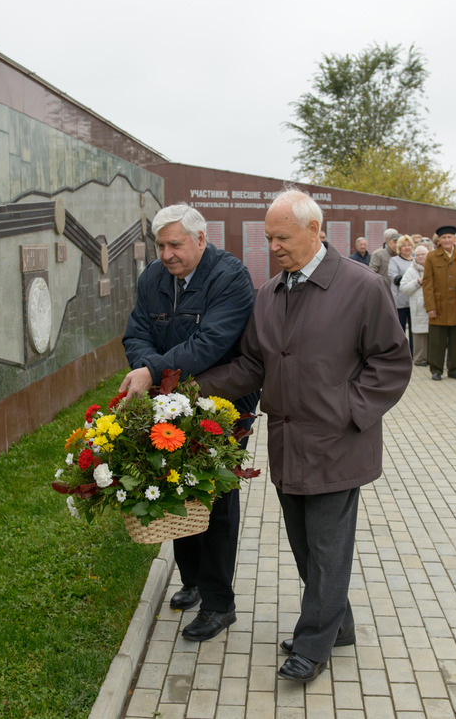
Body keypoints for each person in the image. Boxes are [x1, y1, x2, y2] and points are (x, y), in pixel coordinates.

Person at [196, 189, 411, 684]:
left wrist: (350, 409)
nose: (273, 246)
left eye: (282, 237)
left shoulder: (362, 286)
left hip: (338, 444)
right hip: (287, 446)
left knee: (328, 547)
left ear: (316, 231)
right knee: (305, 547)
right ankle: (338, 626)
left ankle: (313, 644)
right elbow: (253, 364)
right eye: (269, 237)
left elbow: (392, 361)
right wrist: (190, 386)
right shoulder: (270, 293)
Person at [120, 204, 260, 643]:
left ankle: (220, 604)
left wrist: (152, 372)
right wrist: (152, 371)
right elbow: (135, 332)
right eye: (160, 245)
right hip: (171, 399)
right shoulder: (153, 279)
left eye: (175, 244)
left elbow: (211, 342)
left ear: (201, 240)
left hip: (223, 401)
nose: (166, 254)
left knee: (215, 498)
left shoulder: (230, 277)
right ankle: (193, 581)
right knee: (174, 486)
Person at [422, 225, 456, 381]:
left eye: (449, 237)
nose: (447, 240)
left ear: (455, 239)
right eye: (443, 237)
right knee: (437, 340)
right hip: (438, 306)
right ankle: (436, 370)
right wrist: (430, 306)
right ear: (439, 240)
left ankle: (454, 369)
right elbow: (427, 283)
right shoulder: (432, 257)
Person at [399, 245, 431, 366]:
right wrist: (418, 282)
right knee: (419, 335)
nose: (420, 257)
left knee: (432, 334)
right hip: (418, 306)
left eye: (423, 254)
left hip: (432, 307)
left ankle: (431, 358)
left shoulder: (433, 267)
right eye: (418, 255)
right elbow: (404, 287)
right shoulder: (411, 270)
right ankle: (420, 359)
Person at [388, 236, 416, 353]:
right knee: (400, 329)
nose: (407, 248)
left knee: (414, 329)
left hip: (414, 300)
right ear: (399, 248)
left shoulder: (416, 260)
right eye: (404, 246)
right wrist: (413, 281)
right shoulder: (394, 261)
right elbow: (394, 277)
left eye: (409, 245)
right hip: (399, 300)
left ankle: (413, 351)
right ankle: (400, 352)